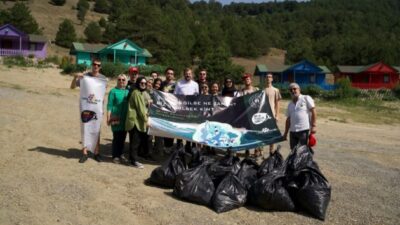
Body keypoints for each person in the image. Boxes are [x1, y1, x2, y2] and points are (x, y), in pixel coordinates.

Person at [70, 58, 107, 163]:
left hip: (97, 108)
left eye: (98, 65)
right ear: (92, 65)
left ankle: (96, 153)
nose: (96, 66)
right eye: (94, 64)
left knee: (97, 131)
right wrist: (75, 77)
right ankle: (84, 153)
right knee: (85, 128)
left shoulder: (103, 79)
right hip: (86, 107)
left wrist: (102, 109)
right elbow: (72, 87)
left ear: (100, 67)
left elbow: (101, 95)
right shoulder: (85, 77)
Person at [125, 77, 151, 169]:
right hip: (135, 122)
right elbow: (140, 109)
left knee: (134, 142)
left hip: (136, 121)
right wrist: (146, 120)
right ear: (138, 83)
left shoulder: (139, 92)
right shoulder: (136, 93)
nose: (143, 84)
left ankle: (132, 159)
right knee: (135, 143)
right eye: (141, 83)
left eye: (145, 83)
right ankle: (133, 161)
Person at [283, 83, 317, 150]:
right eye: (291, 90)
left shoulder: (306, 98)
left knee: (303, 152)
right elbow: (288, 119)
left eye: (294, 89)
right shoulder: (290, 104)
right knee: (293, 152)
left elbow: (314, 111)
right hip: (293, 132)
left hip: (304, 131)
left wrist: (314, 126)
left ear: (299, 90)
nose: (293, 91)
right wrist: (285, 133)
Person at [174, 67, 199, 151]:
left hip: (191, 110)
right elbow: (175, 95)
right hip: (181, 109)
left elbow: (197, 97)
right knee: (180, 127)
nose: (188, 75)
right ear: (184, 74)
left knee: (189, 127)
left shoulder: (195, 84)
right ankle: (179, 145)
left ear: (191, 75)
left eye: (189, 74)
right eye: (186, 73)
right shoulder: (179, 83)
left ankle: (188, 146)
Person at [106, 74, 129, 164]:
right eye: (119, 79)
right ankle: (115, 156)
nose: (121, 81)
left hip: (125, 118)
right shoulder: (113, 91)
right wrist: (108, 117)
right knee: (116, 137)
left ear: (126, 81)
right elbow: (109, 105)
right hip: (115, 117)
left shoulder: (128, 91)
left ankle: (121, 154)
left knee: (123, 137)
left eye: (123, 80)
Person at [264, 73, 282, 155]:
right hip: (264, 115)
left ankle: (271, 151)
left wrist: (277, 115)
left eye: (270, 77)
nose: (268, 78)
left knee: (272, 134)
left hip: (272, 115)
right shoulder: (262, 90)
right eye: (267, 77)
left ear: (272, 79)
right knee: (262, 133)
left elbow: (277, 104)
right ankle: (260, 151)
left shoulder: (276, 90)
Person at [160, 68, 176, 153]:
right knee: (162, 127)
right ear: (166, 74)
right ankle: (162, 146)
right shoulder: (161, 84)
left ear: (173, 75)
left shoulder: (176, 85)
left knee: (171, 128)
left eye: (171, 73)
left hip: (172, 109)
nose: (169, 75)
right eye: (168, 73)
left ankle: (169, 147)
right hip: (162, 109)